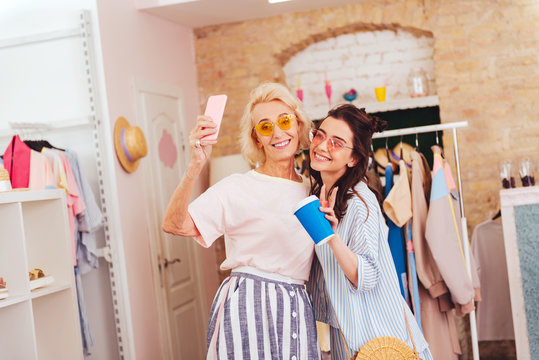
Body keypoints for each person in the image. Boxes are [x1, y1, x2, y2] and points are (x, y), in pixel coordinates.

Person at [162, 82, 321, 359]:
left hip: (296, 307)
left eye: (284, 121)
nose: (278, 133)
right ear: (257, 138)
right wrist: (195, 165)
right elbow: (174, 225)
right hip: (249, 307)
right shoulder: (238, 187)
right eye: (265, 126)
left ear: (298, 125)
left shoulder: (314, 190)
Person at [307, 104, 432, 359]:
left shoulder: (358, 200)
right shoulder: (321, 194)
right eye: (320, 135)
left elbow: (367, 275)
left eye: (336, 143)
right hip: (350, 337)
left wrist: (332, 239)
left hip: (381, 341)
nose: (321, 146)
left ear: (353, 158)